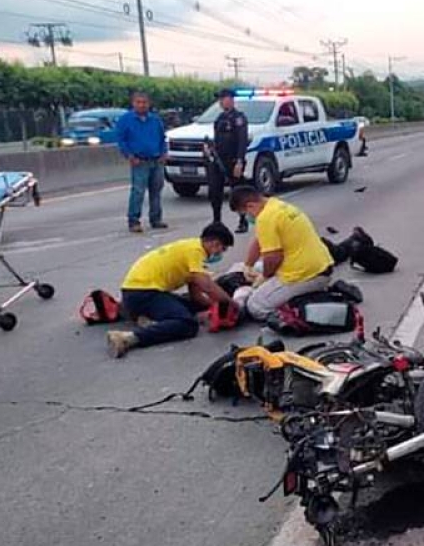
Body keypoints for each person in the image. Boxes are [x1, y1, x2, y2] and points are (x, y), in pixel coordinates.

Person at [107, 223, 236, 358]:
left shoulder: (191, 249)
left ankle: (149, 319)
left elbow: (196, 296)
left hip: (139, 291)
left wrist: (211, 307)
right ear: (215, 244)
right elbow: (208, 286)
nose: (221, 253)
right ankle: (128, 338)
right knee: (187, 324)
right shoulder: (195, 251)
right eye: (223, 249)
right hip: (143, 293)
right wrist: (231, 304)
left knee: (191, 306)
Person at [229, 187, 334, 320]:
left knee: (255, 306)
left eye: (245, 213)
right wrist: (248, 265)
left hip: (306, 275)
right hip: (318, 266)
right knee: (241, 267)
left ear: (250, 206)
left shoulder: (266, 218)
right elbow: (259, 240)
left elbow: (273, 258)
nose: (248, 217)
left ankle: (303, 303)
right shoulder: (276, 205)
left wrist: (263, 279)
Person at [116, 91, 169, 233]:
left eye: (144, 102)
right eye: (138, 102)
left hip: (156, 160)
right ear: (133, 103)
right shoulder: (125, 120)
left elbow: (162, 138)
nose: (141, 105)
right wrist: (129, 156)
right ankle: (134, 221)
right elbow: (121, 140)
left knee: (156, 191)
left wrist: (164, 153)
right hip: (139, 162)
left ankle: (156, 219)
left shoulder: (155, 120)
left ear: (149, 104)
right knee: (138, 192)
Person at [209, 88, 251, 234]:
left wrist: (239, 161)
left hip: (233, 160)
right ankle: (217, 222)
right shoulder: (220, 118)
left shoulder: (239, 118)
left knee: (237, 192)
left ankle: (243, 220)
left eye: (223, 98)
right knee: (214, 192)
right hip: (218, 160)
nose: (221, 101)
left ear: (231, 99)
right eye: (219, 99)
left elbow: (242, 140)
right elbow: (217, 139)